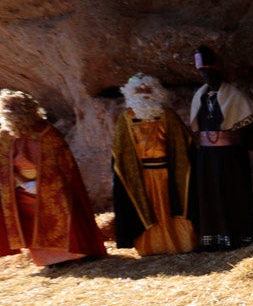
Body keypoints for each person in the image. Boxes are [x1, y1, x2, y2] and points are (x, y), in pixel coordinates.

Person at [0, 89, 107, 265]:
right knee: (31, 224)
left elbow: (61, 163)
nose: (14, 112)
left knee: (58, 217)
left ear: (28, 108)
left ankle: (72, 255)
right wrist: (22, 183)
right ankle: (48, 260)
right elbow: (3, 165)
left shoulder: (46, 131)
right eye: (9, 108)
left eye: (17, 107)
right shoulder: (4, 135)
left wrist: (41, 183)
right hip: (20, 188)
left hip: (51, 185)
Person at [112, 74, 198, 255]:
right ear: (131, 93)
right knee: (146, 208)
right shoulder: (126, 118)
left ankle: (179, 243)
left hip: (167, 173)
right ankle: (151, 247)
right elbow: (121, 151)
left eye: (148, 89)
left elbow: (182, 144)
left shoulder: (168, 115)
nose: (144, 93)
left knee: (173, 206)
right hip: (142, 175)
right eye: (139, 90)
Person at [189, 46, 253, 251]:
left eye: (209, 71)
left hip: (230, 156)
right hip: (207, 157)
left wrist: (245, 147)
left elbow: (252, 126)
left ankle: (236, 235)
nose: (205, 76)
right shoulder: (200, 96)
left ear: (218, 72)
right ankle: (213, 237)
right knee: (209, 194)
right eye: (202, 72)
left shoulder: (235, 96)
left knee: (232, 193)